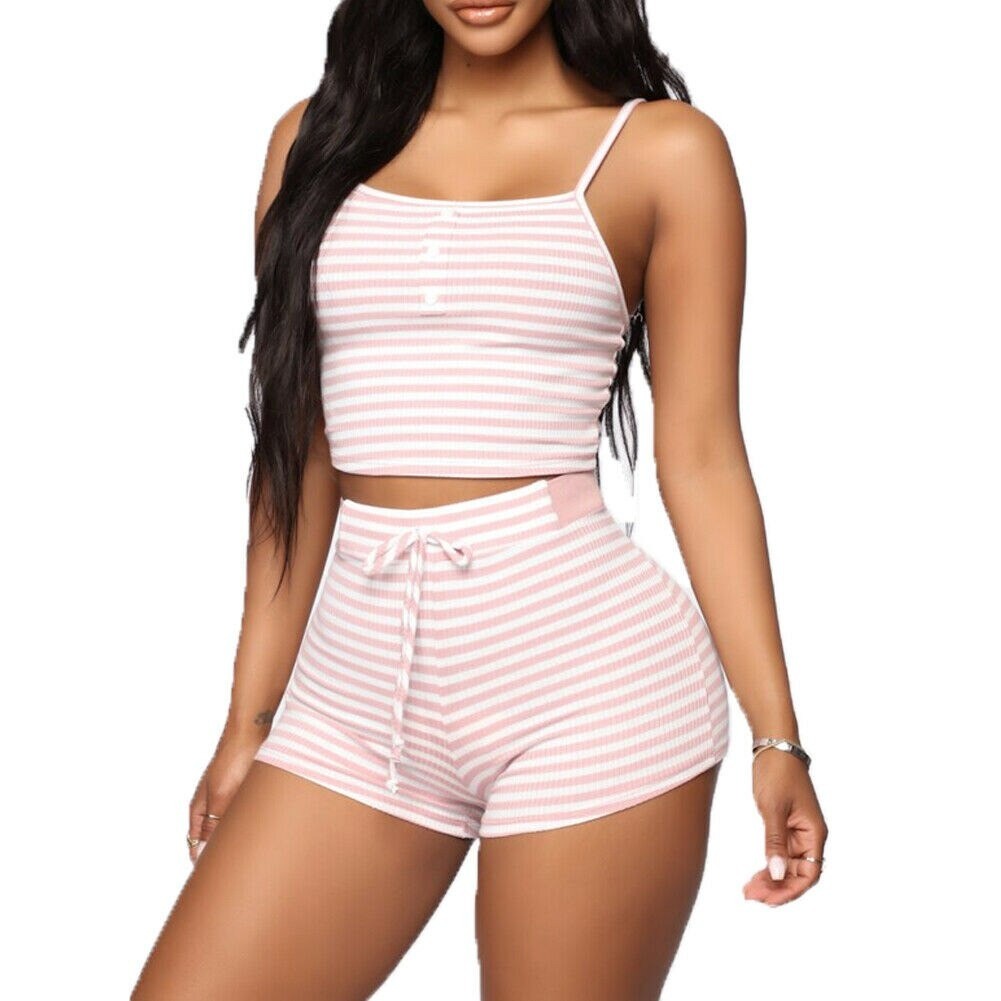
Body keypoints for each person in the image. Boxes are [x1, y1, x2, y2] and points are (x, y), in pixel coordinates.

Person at [133, 1, 828, 997]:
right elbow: (297, 454)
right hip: (353, 696)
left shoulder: (662, 151)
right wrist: (249, 719)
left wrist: (775, 734)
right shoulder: (314, 142)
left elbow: (703, 456)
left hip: (588, 690)